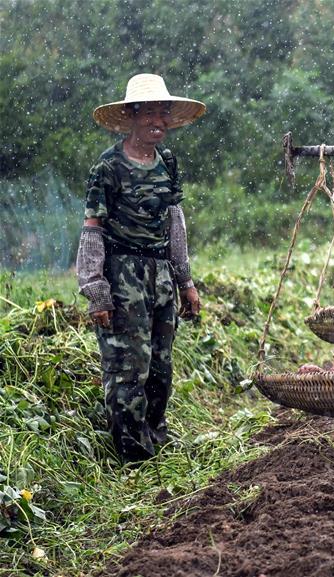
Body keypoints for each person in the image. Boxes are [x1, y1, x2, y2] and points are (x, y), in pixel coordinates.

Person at [76, 73, 206, 463]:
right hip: (123, 274)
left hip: (161, 274)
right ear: (132, 115)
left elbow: (174, 222)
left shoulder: (167, 161)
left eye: (164, 114)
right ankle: (133, 456)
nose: (160, 122)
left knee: (160, 367)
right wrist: (96, 290)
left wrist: (185, 281)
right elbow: (92, 230)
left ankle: (156, 441)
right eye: (151, 113)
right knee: (128, 367)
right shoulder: (108, 168)